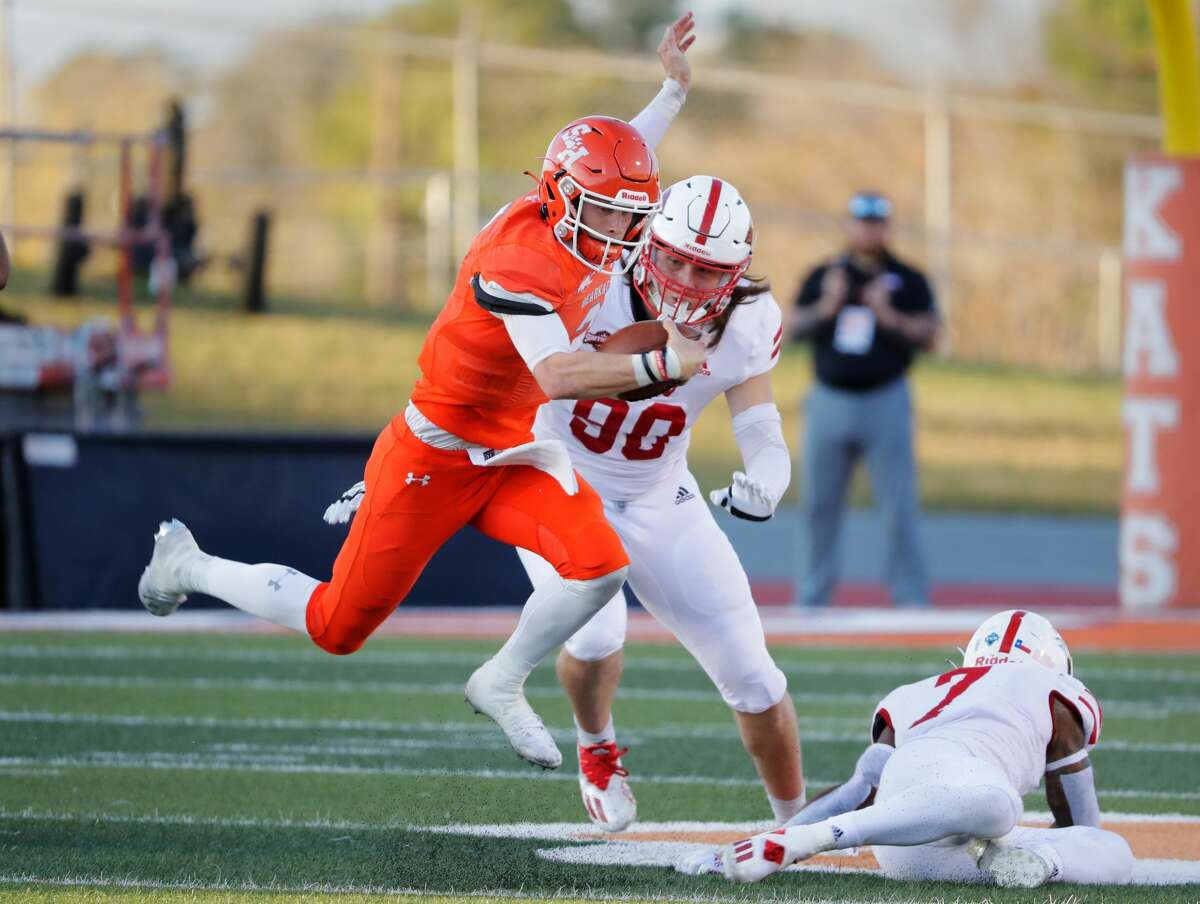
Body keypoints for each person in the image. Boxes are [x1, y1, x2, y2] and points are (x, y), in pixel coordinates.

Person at [138, 14, 704, 771]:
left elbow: (619, 160)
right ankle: (190, 565)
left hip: (510, 454)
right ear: (565, 199)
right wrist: (664, 366)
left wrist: (671, 89)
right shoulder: (517, 259)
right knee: (338, 626)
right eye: (609, 214)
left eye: (630, 215)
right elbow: (559, 376)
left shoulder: (585, 206)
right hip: (433, 457)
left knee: (600, 566)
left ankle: (500, 680)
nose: (621, 231)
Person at [517, 176, 803, 831]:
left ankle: (796, 825)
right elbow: (524, 373)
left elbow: (759, 423)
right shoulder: (587, 282)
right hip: (555, 475)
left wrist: (769, 474)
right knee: (597, 625)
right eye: (674, 258)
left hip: (655, 490)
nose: (683, 279)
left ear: (737, 273)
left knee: (754, 675)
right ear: (647, 239)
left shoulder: (748, 321)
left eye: (706, 271)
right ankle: (597, 747)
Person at [682, 609, 1133, 889]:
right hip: (954, 789)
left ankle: (1027, 863)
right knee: (1006, 809)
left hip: (912, 850)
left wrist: (764, 837)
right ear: (1054, 662)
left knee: (1113, 850)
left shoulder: (915, 692)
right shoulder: (1052, 689)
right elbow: (1080, 820)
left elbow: (859, 791)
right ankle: (810, 840)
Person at [788, 191, 940, 608]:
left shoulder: (907, 278)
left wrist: (888, 314)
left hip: (885, 399)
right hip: (828, 400)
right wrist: (828, 304)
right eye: (861, 221)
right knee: (818, 504)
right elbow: (790, 327)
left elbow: (931, 335)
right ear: (850, 225)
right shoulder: (825, 273)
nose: (868, 230)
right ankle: (812, 596)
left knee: (897, 506)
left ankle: (910, 597)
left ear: (886, 227)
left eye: (876, 222)